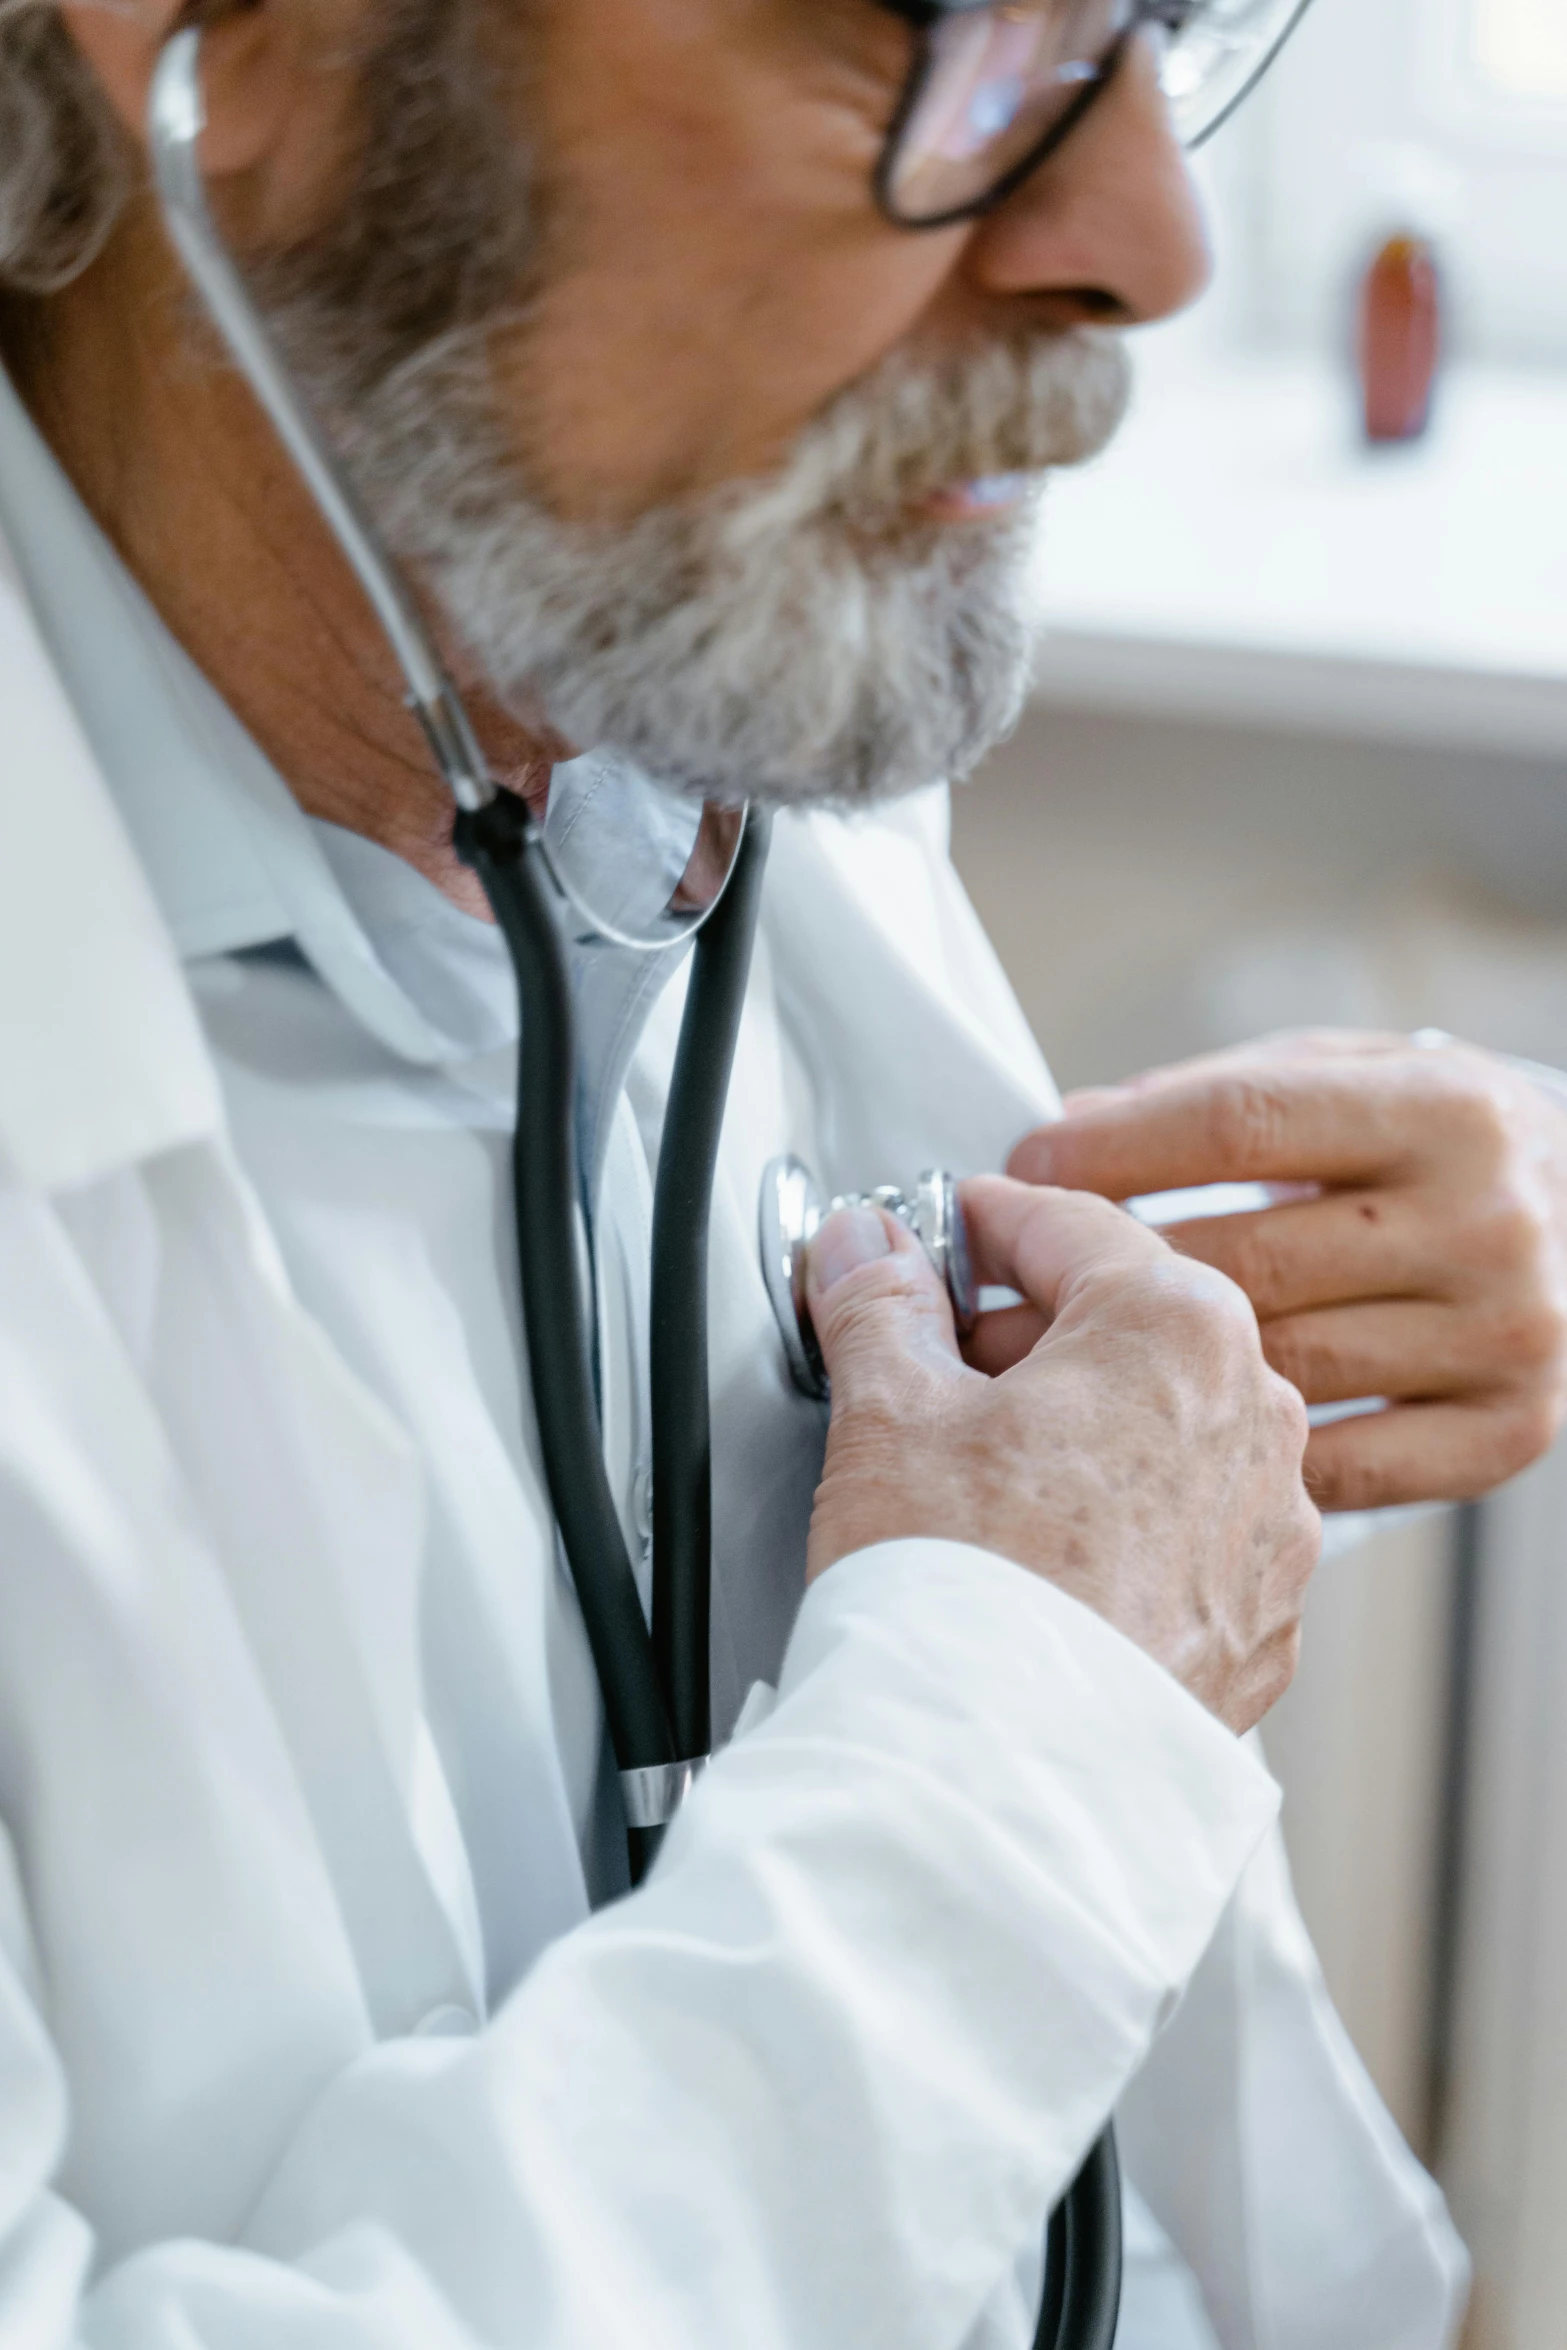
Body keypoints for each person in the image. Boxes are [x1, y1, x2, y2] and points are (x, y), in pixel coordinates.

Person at [0, 0, 1564, 2343]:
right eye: (958, 42)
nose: (1152, 243)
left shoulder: (663, 712)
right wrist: (1033, 1730)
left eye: (1165, 27)